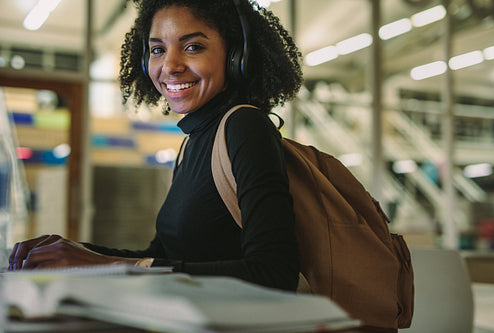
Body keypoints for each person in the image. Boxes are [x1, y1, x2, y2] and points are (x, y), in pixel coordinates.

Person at [8, 0, 303, 292]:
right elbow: (162, 258)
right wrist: (74, 253)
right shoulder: (192, 142)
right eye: (158, 50)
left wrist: (112, 266)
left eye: (193, 47)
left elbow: (274, 273)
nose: (170, 66)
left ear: (237, 56)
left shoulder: (245, 126)